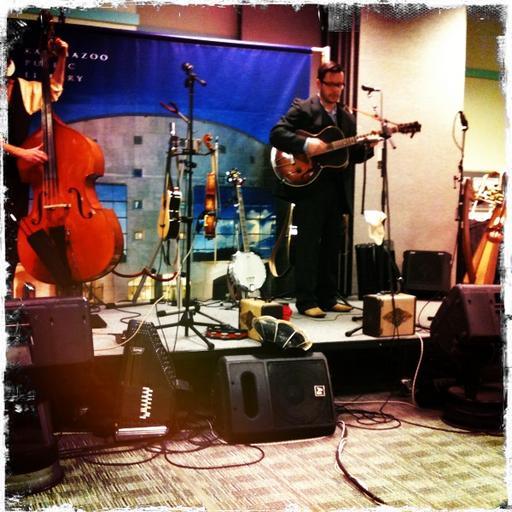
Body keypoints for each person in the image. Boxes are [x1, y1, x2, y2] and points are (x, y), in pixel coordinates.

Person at [269, 61, 376, 318]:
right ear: (319, 83)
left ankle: (328, 297)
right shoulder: (304, 109)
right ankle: (306, 300)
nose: (336, 90)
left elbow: (348, 156)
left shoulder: (347, 118)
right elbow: (277, 134)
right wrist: (306, 144)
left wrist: (369, 147)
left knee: (332, 245)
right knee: (308, 245)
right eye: (331, 84)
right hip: (309, 189)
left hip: (336, 190)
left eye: (340, 85)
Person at [2, 36, 69, 295]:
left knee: (10, 238)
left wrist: (61, 58)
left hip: (13, 176)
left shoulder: (22, 87)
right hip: (16, 162)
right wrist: (21, 152)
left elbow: (53, 89)